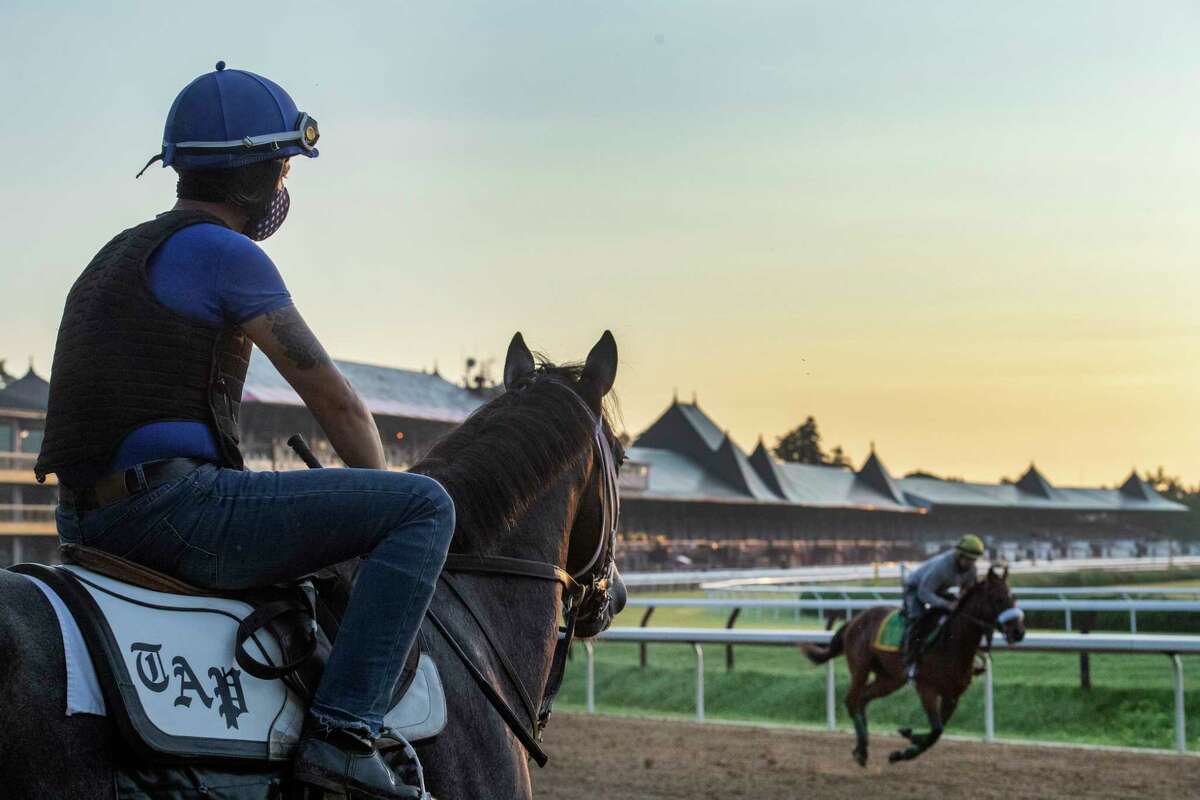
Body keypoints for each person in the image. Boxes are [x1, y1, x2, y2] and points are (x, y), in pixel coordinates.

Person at [36, 62, 453, 799]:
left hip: (82, 522)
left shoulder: (116, 252)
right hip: (173, 512)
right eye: (285, 166)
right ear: (255, 174)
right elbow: (339, 405)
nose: (286, 185)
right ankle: (343, 732)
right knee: (424, 508)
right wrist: (384, 492)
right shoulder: (226, 252)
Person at [900, 534, 984, 680]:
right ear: (959, 555)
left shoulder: (971, 570)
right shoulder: (943, 567)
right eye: (968, 559)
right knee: (918, 620)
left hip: (937, 590)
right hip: (915, 589)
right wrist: (946, 604)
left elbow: (968, 590)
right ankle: (910, 663)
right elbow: (923, 593)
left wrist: (961, 600)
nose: (971, 563)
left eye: (974, 560)